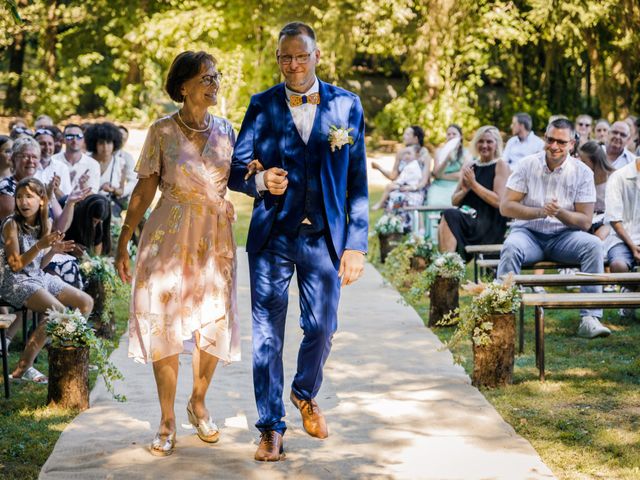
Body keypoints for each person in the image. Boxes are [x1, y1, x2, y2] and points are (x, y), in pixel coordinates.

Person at [228, 22, 368, 462]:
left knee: (323, 327)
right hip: (272, 236)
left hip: (324, 237)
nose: (293, 65)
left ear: (317, 56)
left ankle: (304, 392)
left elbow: (358, 181)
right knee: (267, 335)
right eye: (285, 57)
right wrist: (260, 181)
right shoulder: (261, 105)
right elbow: (236, 171)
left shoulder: (347, 105)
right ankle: (270, 428)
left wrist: (356, 244)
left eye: (301, 56)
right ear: (278, 59)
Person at [115, 50, 240, 457]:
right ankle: (167, 419)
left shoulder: (227, 130)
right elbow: (143, 191)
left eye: (216, 77)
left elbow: (242, 176)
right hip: (167, 237)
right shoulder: (161, 132)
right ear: (183, 86)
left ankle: (198, 402)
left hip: (214, 238)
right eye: (206, 78)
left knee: (212, 323)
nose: (214, 84)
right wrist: (124, 239)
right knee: (164, 324)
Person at [498, 118, 610, 339]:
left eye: (561, 141)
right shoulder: (528, 164)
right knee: (510, 246)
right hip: (528, 234)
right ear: (544, 139)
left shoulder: (582, 172)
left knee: (594, 245)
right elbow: (506, 206)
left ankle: (590, 318)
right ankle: (500, 313)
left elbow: (585, 221)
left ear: (572, 144)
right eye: (550, 140)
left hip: (565, 236)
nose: (554, 146)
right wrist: (541, 211)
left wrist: (559, 212)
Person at [1, 178, 92, 384]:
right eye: (19, 197)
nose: (23, 202)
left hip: (37, 277)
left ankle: (68, 355)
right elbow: (16, 265)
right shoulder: (11, 224)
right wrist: (40, 246)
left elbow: (39, 265)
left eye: (29, 197)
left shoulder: (45, 223)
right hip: (15, 281)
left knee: (86, 303)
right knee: (59, 312)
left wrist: (52, 251)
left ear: (41, 200)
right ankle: (23, 368)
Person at [438, 125, 509, 258]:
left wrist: (474, 184)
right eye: (481, 141)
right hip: (469, 219)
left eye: (489, 142)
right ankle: (447, 267)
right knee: (447, 215)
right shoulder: (470, 166)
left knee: (449, 216)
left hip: (489, 222)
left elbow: (499, 201)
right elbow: (454, 200)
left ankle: (447, 268)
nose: (484, 145)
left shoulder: (500, 165)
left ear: (496, 144)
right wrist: (465, 190)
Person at [604, 154, 640, 317]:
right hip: (620, 237)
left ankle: (631, 291)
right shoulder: (618, 177)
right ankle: (630, 290)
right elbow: (614, 219)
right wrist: (633, 246)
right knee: (618, 266)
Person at [373, 145, 424, 217]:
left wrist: (396, 183)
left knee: (389, 186)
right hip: (408, 186)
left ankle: (381, 203)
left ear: (416, 155)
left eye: (409, 153)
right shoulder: (413, 165)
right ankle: (384, 205)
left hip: (410, 188)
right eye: (405, 153)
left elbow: (401, 179)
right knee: (391, 188)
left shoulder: (411, 166)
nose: (406, 156)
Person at [577, 141, 614, 240]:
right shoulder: (582, 177)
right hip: (588, 218)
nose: (580, 164)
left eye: (584, 162)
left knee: (598, 237)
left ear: (595, 162)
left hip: (609, 220)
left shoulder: (613, 178)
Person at [50, 124, 101, 193]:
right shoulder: (53, 160)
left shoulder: (93, 164)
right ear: (63, 140)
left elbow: (93, 195)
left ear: (83, 140)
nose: (74, 140)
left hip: (84, 203)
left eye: (79, 136)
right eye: (70, 136)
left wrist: (83, 185)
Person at [34, 128, 72, 199]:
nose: (47, 147)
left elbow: (66, 199)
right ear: (34, 146)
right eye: (42, 144)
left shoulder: (62, 167)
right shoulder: (28, 166)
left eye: (50, 144)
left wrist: (56, 190)